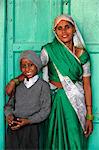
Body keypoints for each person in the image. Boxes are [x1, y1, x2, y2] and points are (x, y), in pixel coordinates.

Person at [6, 14, 93, 150]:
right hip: (56, 102)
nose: (64, 32)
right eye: (59, 28)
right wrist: (16, 81)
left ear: (74, 29)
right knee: (55, 142)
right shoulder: (49, 51)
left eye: (67, 27)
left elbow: (87, 86)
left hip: (76, 104)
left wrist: (89, 116)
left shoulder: (83, 55)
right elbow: (32, 69)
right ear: (55, 31)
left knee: (76, 141)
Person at [4, 50, 51, 150]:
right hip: (15, 126)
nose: (27, 69)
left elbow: (45, 111)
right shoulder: (18, 86)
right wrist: (9, 115)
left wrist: (28, 121)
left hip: (32, 127)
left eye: (31, 65)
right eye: (24, 66)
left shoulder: (43, 86)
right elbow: (9, 106)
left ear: (37, 66)